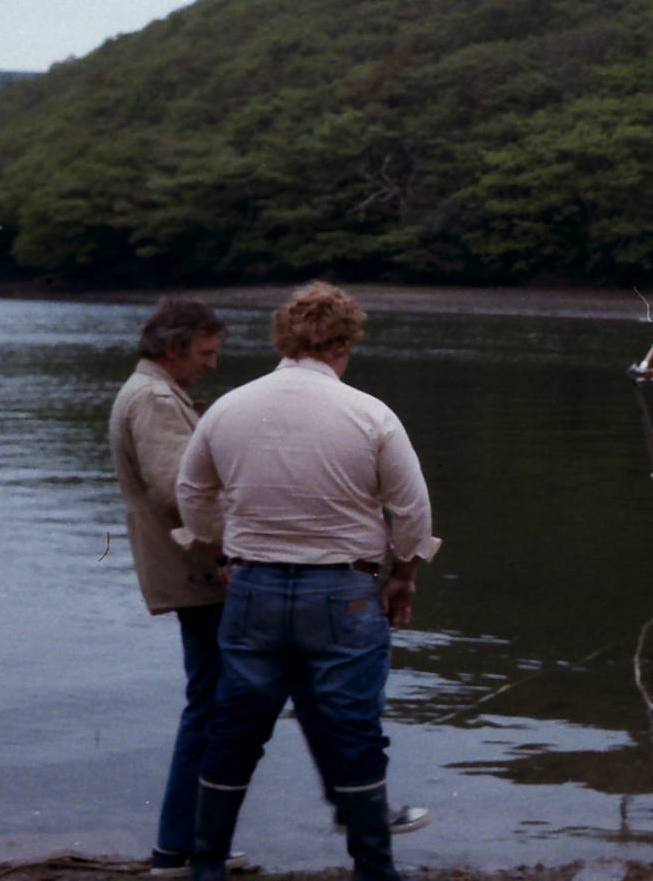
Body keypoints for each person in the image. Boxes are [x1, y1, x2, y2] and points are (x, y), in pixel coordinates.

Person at [176, 282, 441, 881]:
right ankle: (374, 871)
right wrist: (403, 575)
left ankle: (207, 866)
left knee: (235, 732)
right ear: (345, 343)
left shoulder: (229, 407)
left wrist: (225, 546)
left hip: (252, 590)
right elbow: (413, 513)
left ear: (282, 339)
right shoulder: (370, 413)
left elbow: (191, 494)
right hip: (343, 593)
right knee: (353, 733)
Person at [108, 298, 231, 875]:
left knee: (211, 706)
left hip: (189, 571)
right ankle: (178, 849)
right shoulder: (155, 399)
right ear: (172, 347)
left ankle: (184, 847)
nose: (211, 365)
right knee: (211, 708)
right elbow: (179, 492)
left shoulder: (152, 391)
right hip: (198, 576)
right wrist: (236, 552)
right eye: (204, 353)